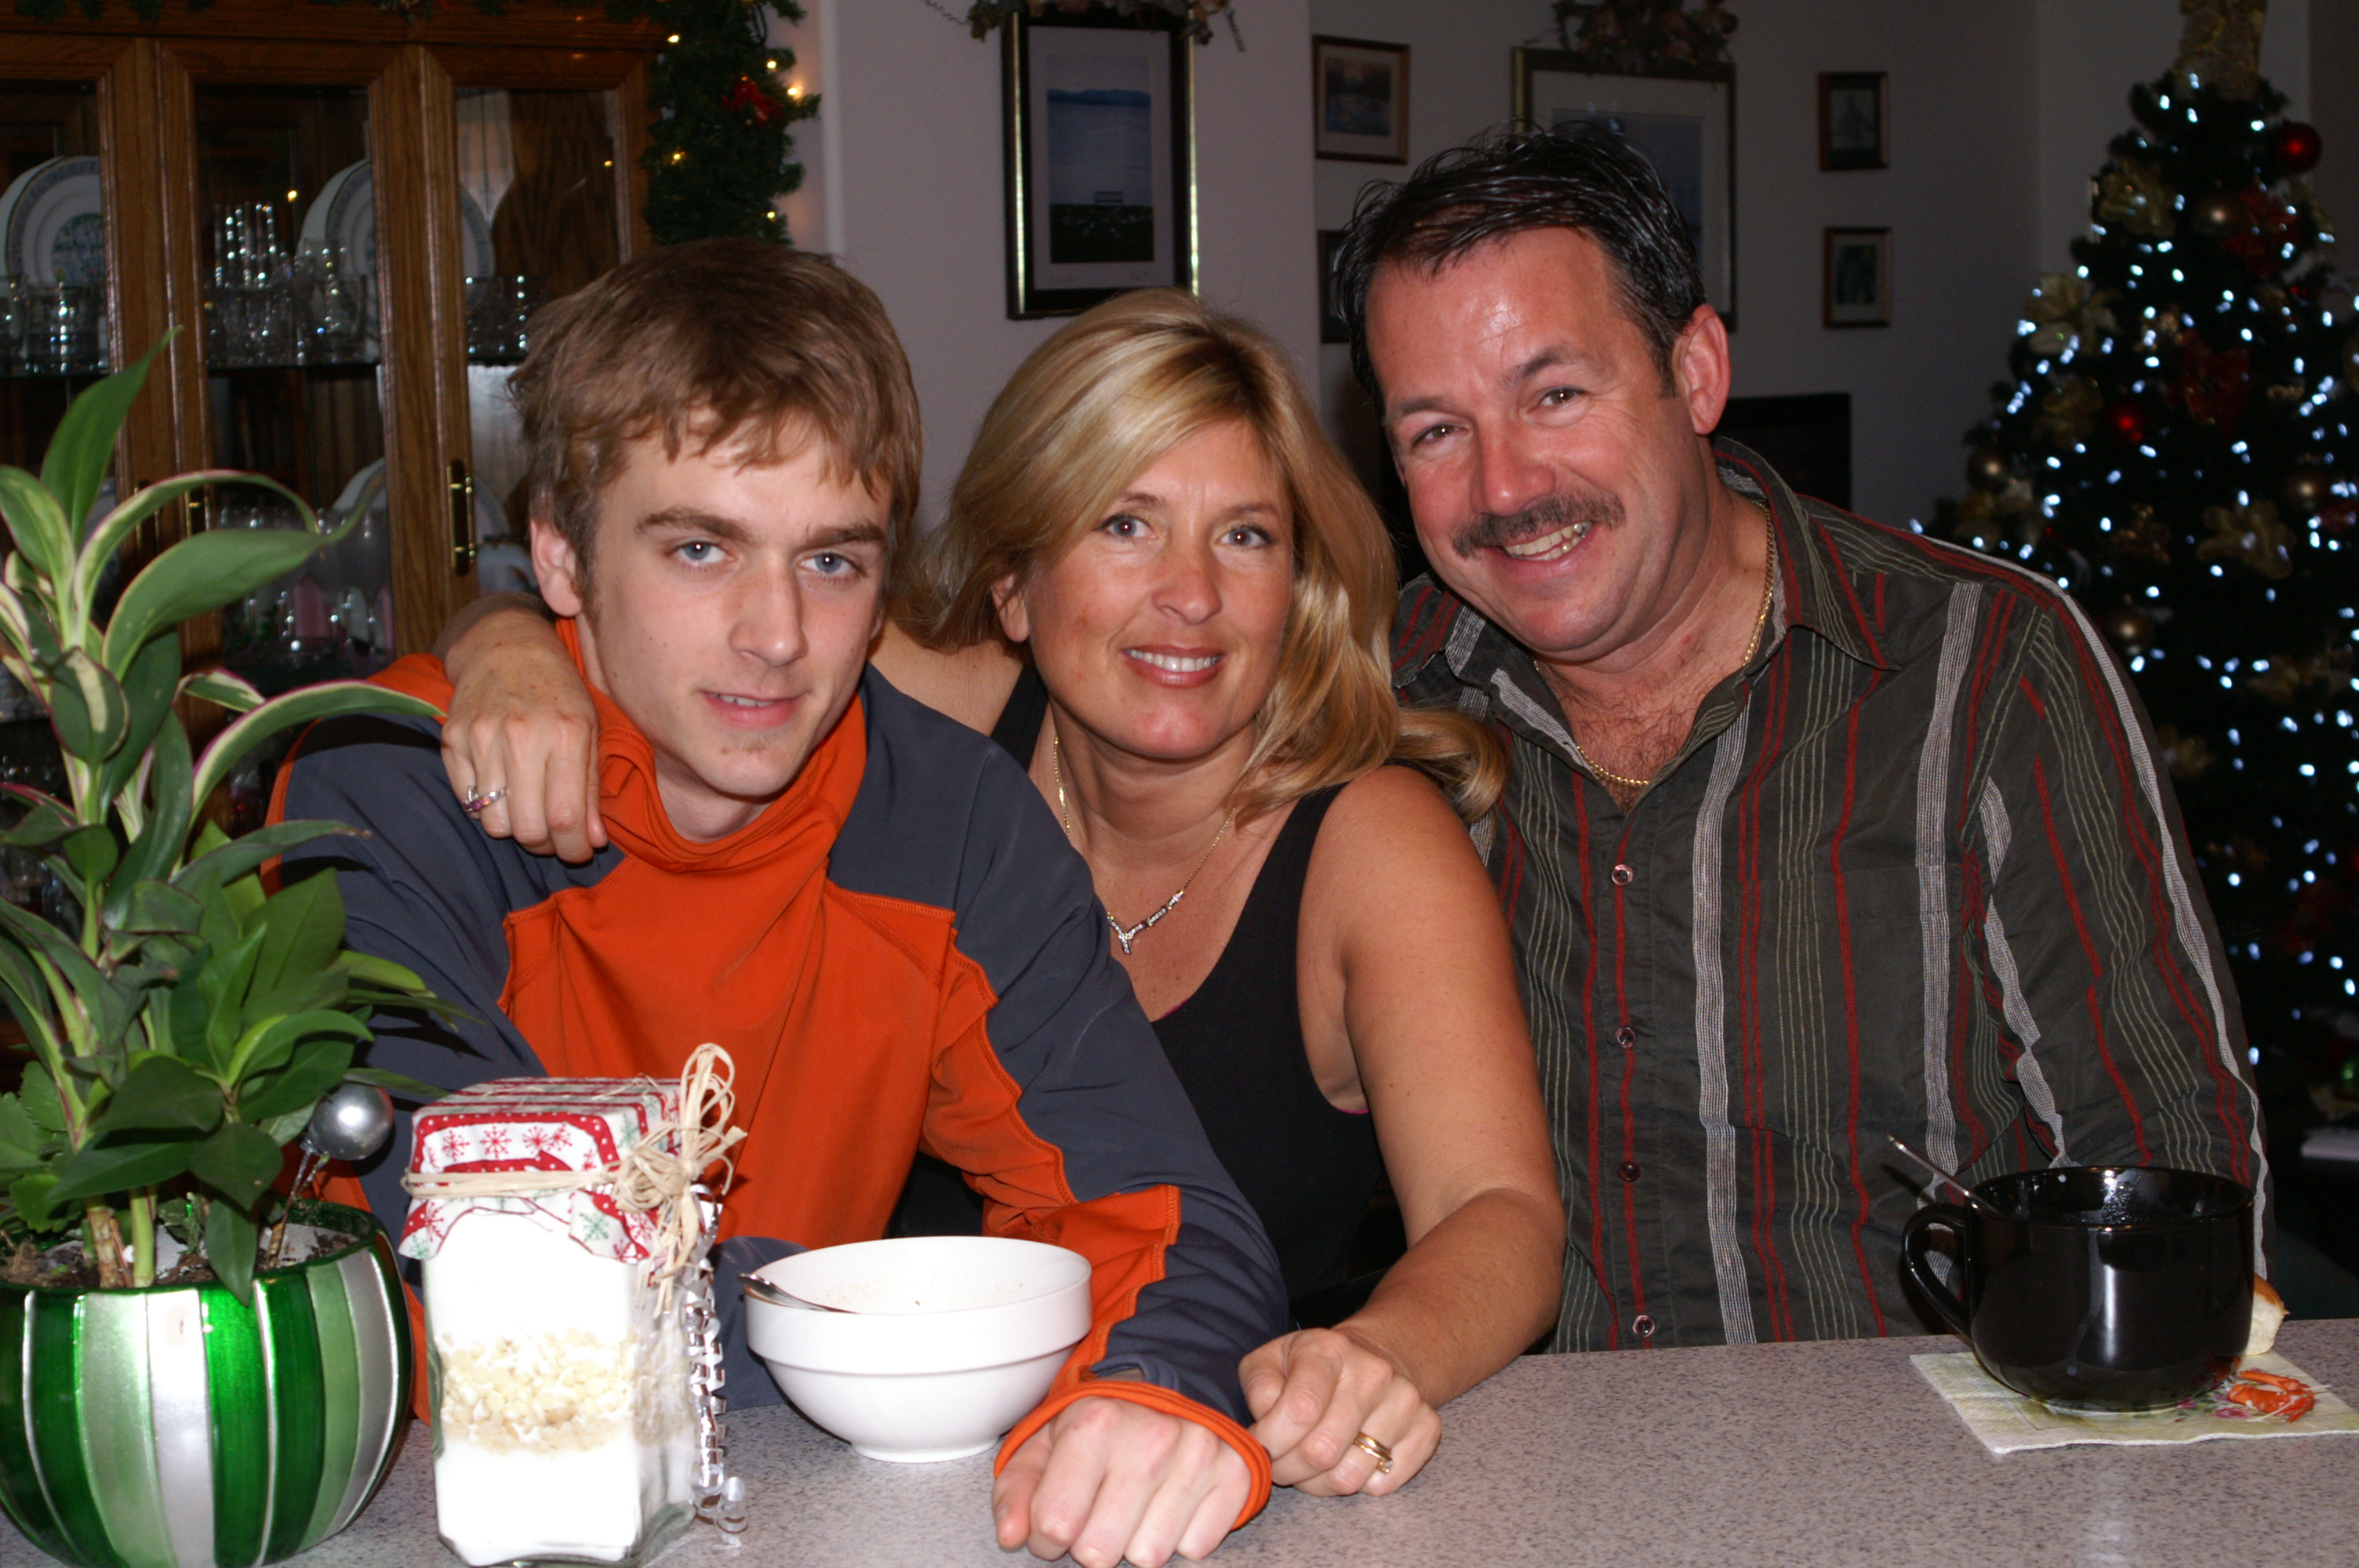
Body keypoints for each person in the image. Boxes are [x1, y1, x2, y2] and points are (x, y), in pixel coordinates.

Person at [431, 288, 1565, 1497]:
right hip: (878, 1443)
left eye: (1245, 536)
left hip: (1192, 1437)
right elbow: (673, 621)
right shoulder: (940, 724)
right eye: (1126, 525)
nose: (1192, 593)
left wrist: (1373, 1358)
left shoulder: (1368, 841)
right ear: (1014, 589)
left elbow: (1498, 1208)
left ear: (1300, 582)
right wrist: (503, 646)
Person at [275, 239, 1292, 1568]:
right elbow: (498, 1275)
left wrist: (1147, 1392)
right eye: (701, 548)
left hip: (807, 1515)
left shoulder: (952, 824)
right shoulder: (391, 787)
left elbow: (1166, 1213)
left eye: (831, 562)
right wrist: (888, 1341)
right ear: (562, 560)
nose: (775, 634)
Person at [1330, 124, 2270, 1350]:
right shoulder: (1381, 703)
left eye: (1554, 395)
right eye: (1436, 433)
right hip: (1534, 1444)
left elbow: (2163, 1144)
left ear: (1697, 372)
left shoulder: (1984, 667)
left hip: (1927, 1438)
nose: (1504, 488)